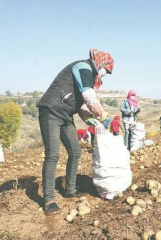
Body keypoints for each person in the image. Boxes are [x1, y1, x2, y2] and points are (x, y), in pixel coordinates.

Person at [36, 49, 114, 215]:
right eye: (105, 71)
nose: (104, 75)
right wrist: (103, 114)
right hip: (51, 112)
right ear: (100, 63)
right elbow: (90, 98)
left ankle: (70, 190)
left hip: (65, 116)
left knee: (75, 151)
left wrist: (95, 121)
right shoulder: (83, 67)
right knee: (52, 155)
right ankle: (49, 200)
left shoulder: (89, 75)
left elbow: (83, 108)